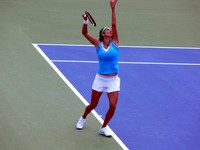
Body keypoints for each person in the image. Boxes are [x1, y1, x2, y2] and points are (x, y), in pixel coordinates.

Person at [76, 0, 120, 137]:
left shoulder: (116, 42)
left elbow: (114, 24)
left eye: (110, 30)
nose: (110, 30)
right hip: (100, 79)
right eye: (107, 30)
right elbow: (85, 33)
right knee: (93, 104)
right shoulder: (98, 44)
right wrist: (85, 21)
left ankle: (104, 127)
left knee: (113, 106)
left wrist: (113, 8)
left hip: (113, 80)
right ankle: (83, 117)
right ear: (103, 34)